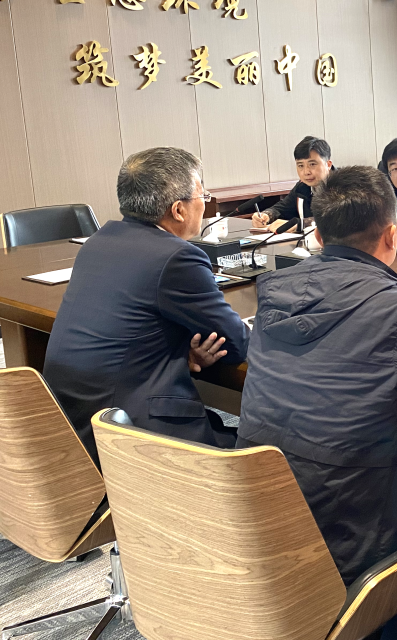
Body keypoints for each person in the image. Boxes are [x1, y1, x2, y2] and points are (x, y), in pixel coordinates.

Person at [237, 165, 397, 640]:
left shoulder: (272, 290)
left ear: (318, 237)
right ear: (393, 235)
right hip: (355, 542)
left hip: (262, 515)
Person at [42, 148, 248, 464]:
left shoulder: (97, 242)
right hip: (130, 439)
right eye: (202, 195)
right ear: (178, 210)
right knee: (268, 456)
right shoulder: (177, 257)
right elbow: (236, 344)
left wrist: (179, 350)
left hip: (73, 427)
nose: (204, 203)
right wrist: (186, 349)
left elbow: (127, 329)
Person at [251, 135, 333, 227]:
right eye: (301, 166)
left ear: (328, 164)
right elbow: (282, 208)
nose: (306, 172)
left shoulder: (343, 185)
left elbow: (336, 220)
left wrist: (299, 225)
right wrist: (266, 215)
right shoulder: (302, 187)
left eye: (312, 164)